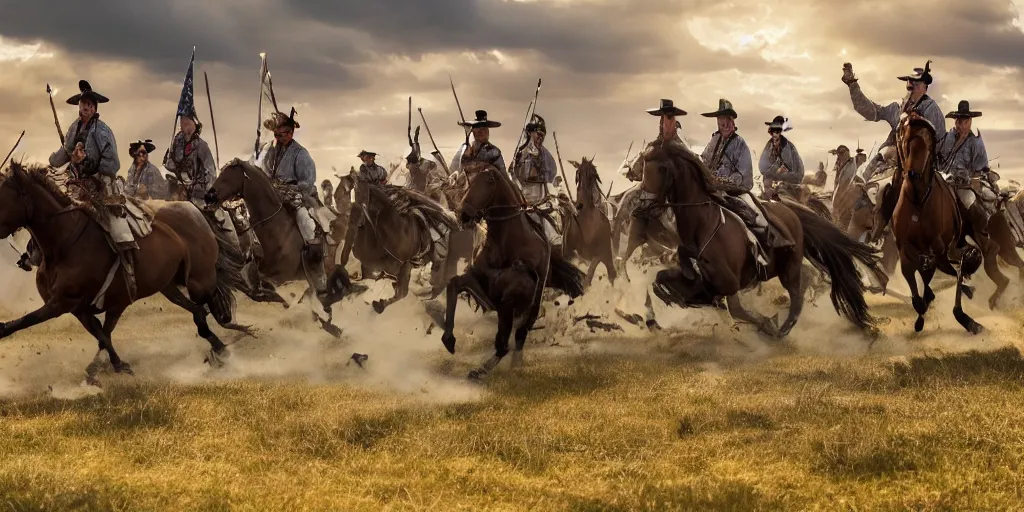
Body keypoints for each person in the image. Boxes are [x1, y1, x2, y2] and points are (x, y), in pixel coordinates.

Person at [48, 80, 137, 297]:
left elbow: (113, 164)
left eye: (89, 105)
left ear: (95, 108)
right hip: (77, 183)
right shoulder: (74, 128)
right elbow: (64, 153)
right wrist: (52, 161)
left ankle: (129, 268)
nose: (85, 108)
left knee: (118, 229)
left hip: (101, 184)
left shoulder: (103, 131)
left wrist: (88, 161)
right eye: (82, 104)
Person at [699, 99, 792, 249]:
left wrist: (724, 181)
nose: (724, 124)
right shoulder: (713, 141)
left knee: (753, 216)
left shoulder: (740, 145)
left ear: (733, 121)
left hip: (733, 193)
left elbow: (746, 180)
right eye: (721, 120)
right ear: (717, 122)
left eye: (727, 119)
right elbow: (704, 163)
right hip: (711, 191)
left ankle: (764, 246)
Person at [261, 108, 329, 295]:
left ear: (291, 133)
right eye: (276, 134)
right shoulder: (270, 152)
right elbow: (264, 172)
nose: (279, 137)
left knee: (307, 225)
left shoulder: (301, 154)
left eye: (283, 134)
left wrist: (289, 189)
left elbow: (307, 182)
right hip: (274, 196)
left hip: (299, 197)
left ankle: (318, 274)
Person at [843, 60, 946, 179]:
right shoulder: (897, 109)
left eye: (916, 83)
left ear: (925, 87)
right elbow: (871, 111)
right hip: (888, 162)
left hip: (920, 168)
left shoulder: (932, 111)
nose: (911, 86)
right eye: (909, 82)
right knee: (862, 178)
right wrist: (852, 84)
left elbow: (938, 144)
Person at [939, 100, 996, 239]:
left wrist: (971, 179)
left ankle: (983, 232)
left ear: (970, 122)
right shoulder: (948, 137)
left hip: (963, 184)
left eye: (966, 122)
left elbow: (981, 168)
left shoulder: (975, 142)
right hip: (943, 179)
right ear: (955, 122)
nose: (962, 126)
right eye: (959, 122)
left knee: (969, 202)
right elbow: (941, 157)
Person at [511, 114, 562, 245]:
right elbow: (514, 175)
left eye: (542, 136)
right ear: (530, 133)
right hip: (523, 203)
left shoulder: (545, 154)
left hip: (541, 204)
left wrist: (538, 163)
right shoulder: (520, 153)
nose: (540, 138)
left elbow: (551, 173)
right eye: (538, 135)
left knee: (556, 240)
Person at [758, 115, 805, 197]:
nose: (774, 134)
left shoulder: (789, 147)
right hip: (772, 183)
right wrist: (776, 169)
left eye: (777, 131)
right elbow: (762, 167)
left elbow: (795, 172)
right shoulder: (769, 146)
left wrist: (780, 174)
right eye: (773, 131)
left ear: (780, 132)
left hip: (790, 184)